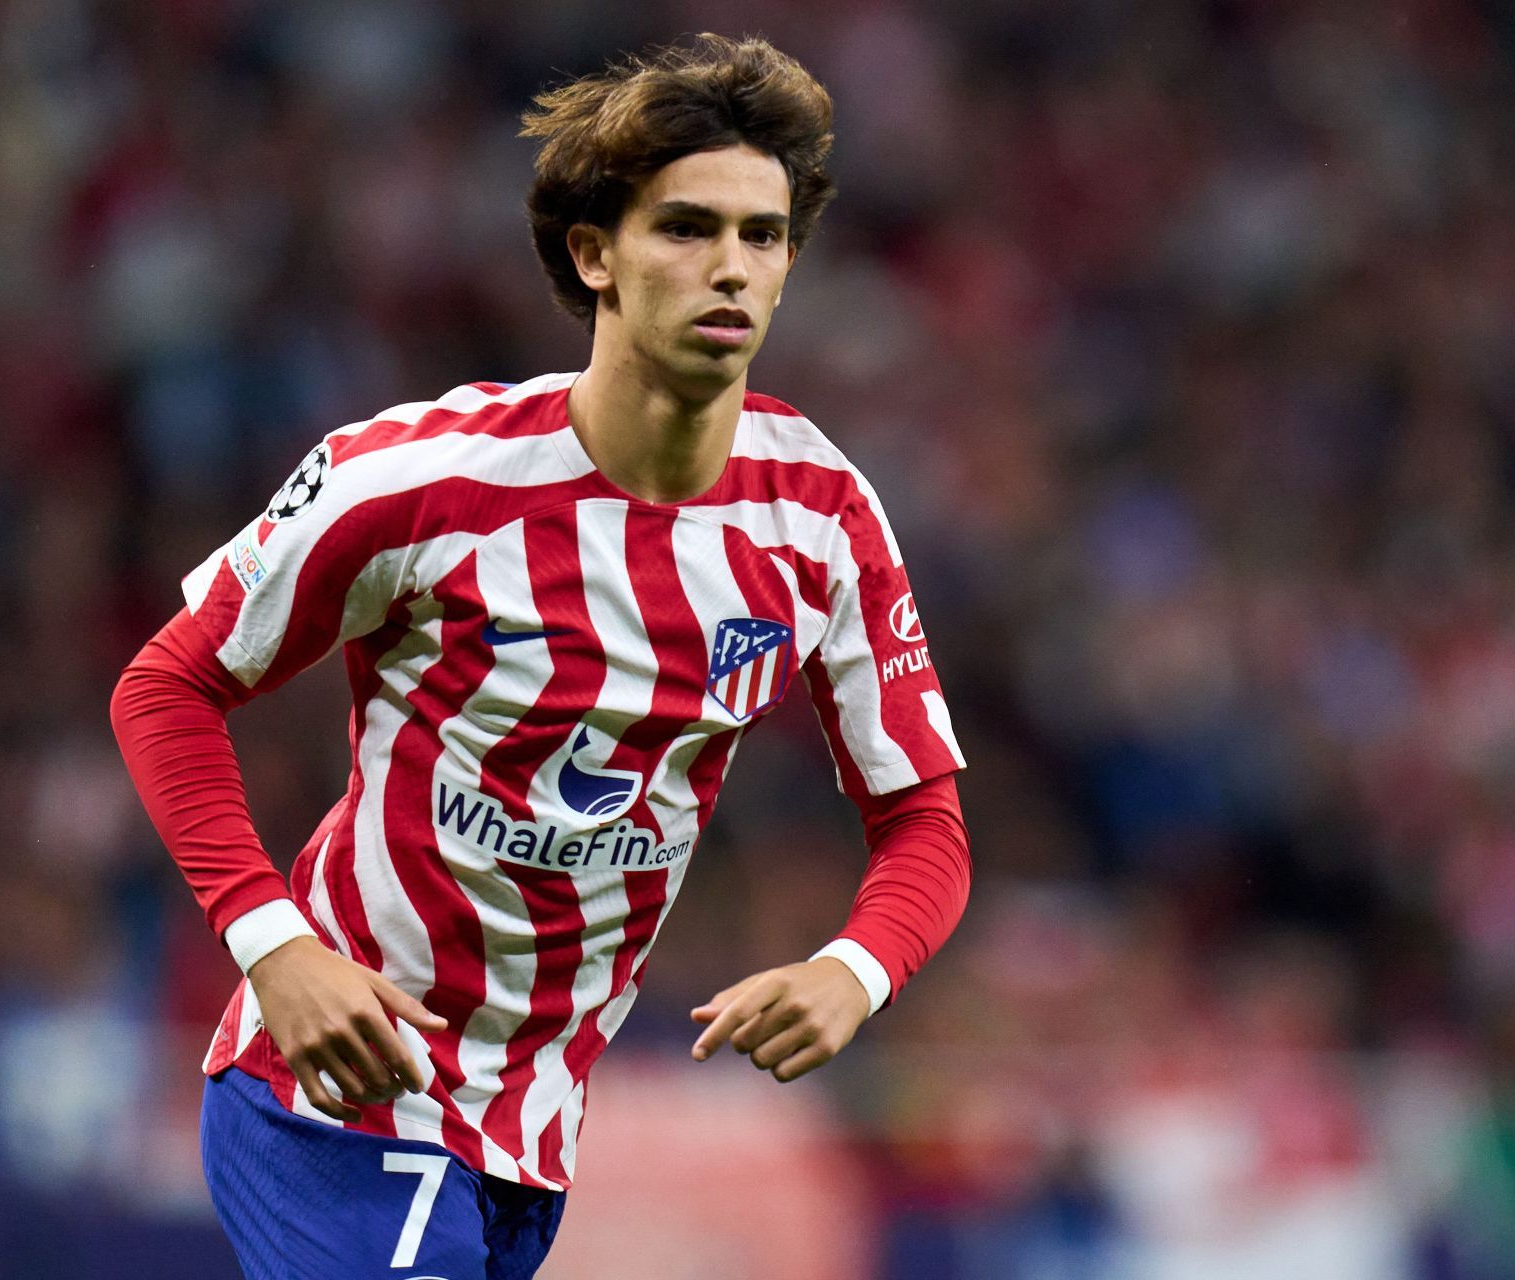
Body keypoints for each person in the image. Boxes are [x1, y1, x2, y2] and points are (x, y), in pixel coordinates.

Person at [111, 32, 970, 1280]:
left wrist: (856, 967)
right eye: (686, 227)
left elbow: (925, 812)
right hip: (338, 1093)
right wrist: (273, 943)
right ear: (594, 254)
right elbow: (166, 684)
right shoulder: (418, 480)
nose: (731, 265)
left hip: (532, 1132)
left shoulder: (820, 518)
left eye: (763, 234)